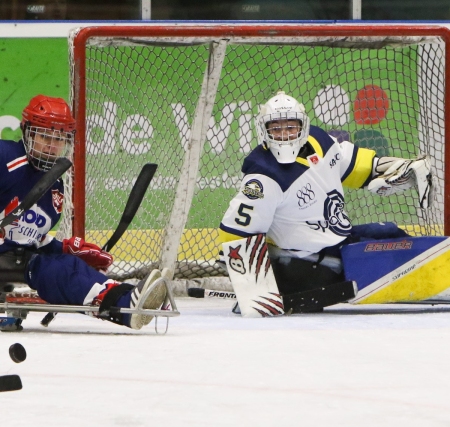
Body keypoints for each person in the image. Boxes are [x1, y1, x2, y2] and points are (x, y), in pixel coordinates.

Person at [218, 91, 433, 308]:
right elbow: (236, 232)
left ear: (302, 126)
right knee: (393, 251)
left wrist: (397, 168)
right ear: (264, 131)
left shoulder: (319, 141)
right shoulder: (263, 176)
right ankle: (431, 278)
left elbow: (355, 167)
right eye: (276, 129)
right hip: (307, 263)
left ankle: (434, 271)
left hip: (340, 241)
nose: (284, 135)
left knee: (389, 231)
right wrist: (253, 291)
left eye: (290, 127)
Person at [0, 94, 167, 329]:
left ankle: (126, 298)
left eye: (60, 138)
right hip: (8, 260)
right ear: (27, 132)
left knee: (63, 264)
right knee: (55, 268)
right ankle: (124, 304)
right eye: (45, 135)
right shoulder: (5, 156)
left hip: (14, 260)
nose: (52, 144)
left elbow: (26, 238)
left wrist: (65, 248)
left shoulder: (54, 185)